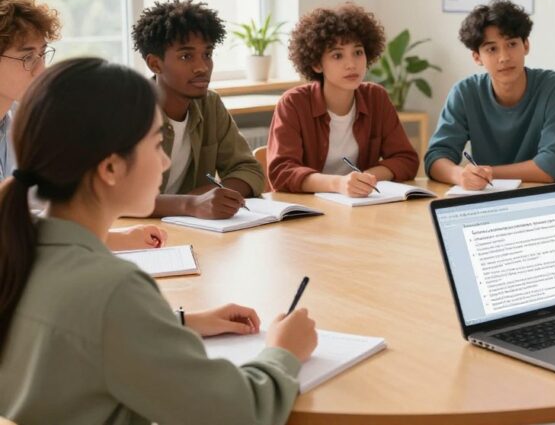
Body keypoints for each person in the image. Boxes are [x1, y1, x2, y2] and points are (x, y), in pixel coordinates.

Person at [0, 58, 318, 424]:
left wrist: (179, 322)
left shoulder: (19, 250)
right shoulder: (113, 289)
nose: (165, 163)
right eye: (155, 144)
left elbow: (81, 339)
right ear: (110, 168)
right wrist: (283, 352)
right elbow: (234, 413)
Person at [0, 0, 165, 249]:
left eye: (43, 54)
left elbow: (25, 218)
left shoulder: (20, 123)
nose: (41, 69)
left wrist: (112, 237)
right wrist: (114, 239)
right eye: (27, 57)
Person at [132, 0, 265, 219]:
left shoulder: (210, 105)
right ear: (155, 64)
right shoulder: (128, 110)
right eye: (186, 56)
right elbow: (115, 198)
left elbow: (249, 170)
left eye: (207, 54)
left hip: (193, 232)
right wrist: (190, 204)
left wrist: (209, 195)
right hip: (137, 238)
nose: (202, 67)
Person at [267, 3, 419, 195]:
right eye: (337, 55)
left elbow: (406, 159)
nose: (351, 64)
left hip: (362, 205)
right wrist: (337, 184)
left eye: (358, 52)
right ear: (316, 64)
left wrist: (367, 178)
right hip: (309, 210)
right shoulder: (294, 104)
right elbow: (281, 172)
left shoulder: (376, 97)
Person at [425, 0, 555, 188]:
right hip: (488, 199)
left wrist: (487, 173)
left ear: (526, 45)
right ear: (477, 57)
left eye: (512, 44)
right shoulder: (465, 93)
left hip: (545, 199)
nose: (504, 57)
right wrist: (460, 175)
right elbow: (436, 158)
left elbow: (552, 167)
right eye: (492, 49)